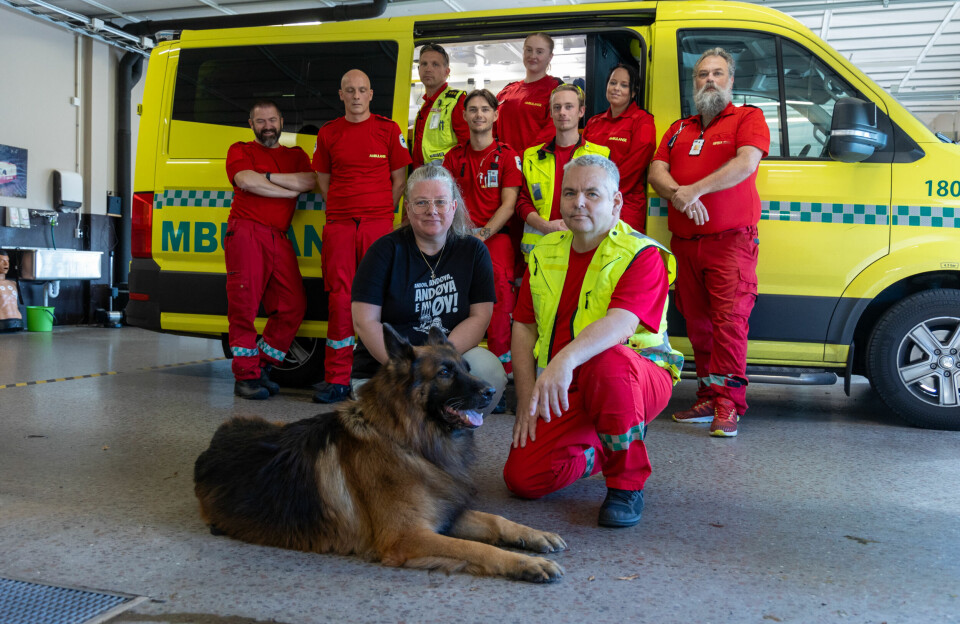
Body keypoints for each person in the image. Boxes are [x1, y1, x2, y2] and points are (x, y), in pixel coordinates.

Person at [503, 154, 682, 528]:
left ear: (616, 202)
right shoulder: (544, 251)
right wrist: (525, 399)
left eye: (591, 193)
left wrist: (564, 360)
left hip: (636, 377)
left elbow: (622, 323)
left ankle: (626, 485)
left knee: (607, 362)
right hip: (567, 385)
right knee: (523, 479)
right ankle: (602, 447)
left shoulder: (642, 253)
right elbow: (523, 326)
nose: (577, 202)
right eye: (569, 193)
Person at [648, 47, 769, 437]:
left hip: (730, 242)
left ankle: (729, 403)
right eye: (702, 75)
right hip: (685, 243)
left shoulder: (748, 118)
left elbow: (746, 163)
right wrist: (678, 193)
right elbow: (656, 171)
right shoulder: (679, 128)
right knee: (698, 325)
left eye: (718, 73)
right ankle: (706, 395)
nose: (710, 80)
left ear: (731, 81)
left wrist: (691, 192)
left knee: (729, 324)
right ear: (694, 83)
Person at [350, 165, 507, 413]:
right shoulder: (383, 251)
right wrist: (410, 364)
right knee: (392, 444)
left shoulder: (474, 252)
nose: (432, 211)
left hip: (446, 365)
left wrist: (439, 360)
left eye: (440, 202)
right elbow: (364, 322)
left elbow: (480, 318)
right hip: (388, 368)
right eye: (421, 203)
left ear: (453, 207)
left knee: (489, 370)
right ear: (408, 209)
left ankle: (450, 437)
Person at [312, 69, 413, 403]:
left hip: (378, 224)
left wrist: (383, 211)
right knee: (340, 298)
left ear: (371, 94)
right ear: (340, 95)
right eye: (349, 90)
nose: (356, 96)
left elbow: (400, 180)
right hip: (340, 224)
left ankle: (385, 377)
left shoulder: (388, 130)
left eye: (362, 90)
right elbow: (323, 179)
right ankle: (337, 379)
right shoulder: (329, 134)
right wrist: (343, 207)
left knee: (383, 299)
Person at [224, 100, 316, 400]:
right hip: (247, 232)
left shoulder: (296, 155)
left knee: (293, 305)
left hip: (279, 236)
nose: (267, 126)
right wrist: (288, 191)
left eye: (272, 120)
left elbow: (310, 180)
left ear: (281, 122)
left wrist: (266, 179)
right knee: (244, 307)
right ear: (251, 124)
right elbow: (244, 180)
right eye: (260, 121)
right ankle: (245, 377)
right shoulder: (240, 150)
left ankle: (262, 364)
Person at [442, 89, 523, 381]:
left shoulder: (507, 156)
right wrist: (464, 236)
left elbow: (509, 204)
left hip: (496, 241)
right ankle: (462, 376)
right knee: (458, 306)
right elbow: (446, 200)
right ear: (464, 116)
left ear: (495, 114)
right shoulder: (453, 157)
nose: (479, 115)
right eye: (473, 110)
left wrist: (483, 234)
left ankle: (500, 376)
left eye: (485, 109)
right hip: (459, 241)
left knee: (499, 307)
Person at [517, 84, 609, 259]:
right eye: (557, 107)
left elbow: (607, 203)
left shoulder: (601, 156)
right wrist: (545, 226)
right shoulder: (530, 156)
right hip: (542, 249)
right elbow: (523, 201)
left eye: (569, 106)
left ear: (581, 111)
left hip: (585, 246)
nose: (562, 112)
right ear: (550, 113)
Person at [583, 63, 656, 232]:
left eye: (624, 85)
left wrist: (600, 193)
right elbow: (580, 162)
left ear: (633, 92)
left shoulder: (642, 121)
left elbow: (635, 165)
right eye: (613, 83)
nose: (616, 88)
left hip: (624, 205)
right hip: (592, 203)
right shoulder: (594, 123)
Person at [495, 33, 564, 155]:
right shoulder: (507, 90)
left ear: (550, 57)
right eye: (529, 50)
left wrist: (522, 158)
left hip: (535, 164)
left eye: (539, 52)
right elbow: (490, 128)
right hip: (503, 164)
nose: (533, 56)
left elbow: (552, 130)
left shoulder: (556, 89)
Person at [410, 43, 469, 169]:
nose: (428, 69)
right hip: (421, 177)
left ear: (446, 72)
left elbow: (468, 146)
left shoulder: (457, 101)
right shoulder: (425, 105)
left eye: (435, 64)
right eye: (424, 64)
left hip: (446, 178)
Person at [0, 250, 24, 332]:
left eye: (7, 261)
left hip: (18, 324)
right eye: (2, 261)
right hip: (2, 325)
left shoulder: (13, 283)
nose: (6, 264)